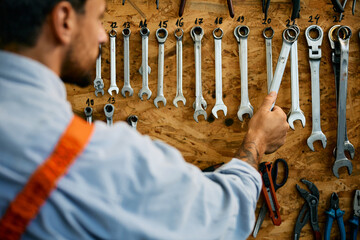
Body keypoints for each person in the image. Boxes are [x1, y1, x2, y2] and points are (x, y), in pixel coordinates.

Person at [0, 0, 289, 239]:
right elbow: (223, 217)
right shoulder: (90, 157)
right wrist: (258, 140)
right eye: (98, 19)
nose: (103, 36)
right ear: (64, 20)